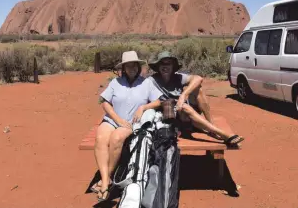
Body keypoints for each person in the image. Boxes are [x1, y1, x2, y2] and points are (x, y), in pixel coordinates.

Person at [91, 51, 163, 202]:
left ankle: (105, 180)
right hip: (113, 120)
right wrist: (117, 119)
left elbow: (158, 102)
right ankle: (106, 180)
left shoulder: (146, 82)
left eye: (134, 65)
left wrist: (143, 108)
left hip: (131, 123)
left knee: (117, 138)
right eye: (128, 66)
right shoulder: (116, 82)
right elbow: (104, 102)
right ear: (123, 68)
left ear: (138, 67)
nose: (131, 68)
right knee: (100, 138)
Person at [147, 51, 244, 146]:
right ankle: (223, 134)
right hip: (168, 114)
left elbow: (198, 78)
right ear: (158, 67)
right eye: (162, 64)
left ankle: (211, 125)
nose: (165, 67)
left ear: (173, 67)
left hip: (182, 111)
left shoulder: (178, 77)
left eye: (168, 64)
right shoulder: (152, 80)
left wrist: (183, 95)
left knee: (198, 90)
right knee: (185, 107)